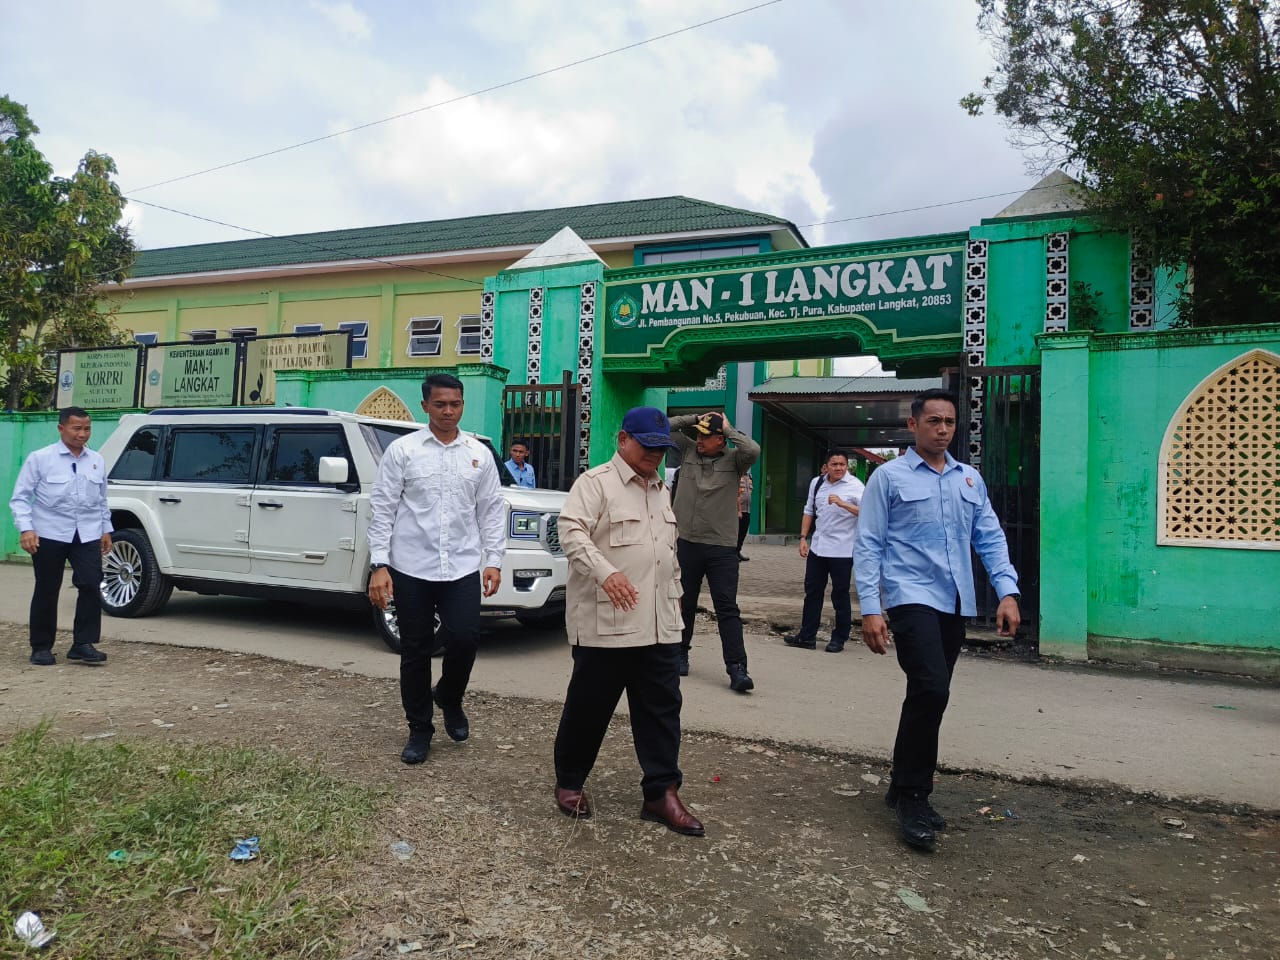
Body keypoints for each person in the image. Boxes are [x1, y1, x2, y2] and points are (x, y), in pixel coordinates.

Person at [854, 389, 1020, 852]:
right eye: (933, 421)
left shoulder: (969, 479)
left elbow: (989, 537)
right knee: (931, 688)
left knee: (927, 694)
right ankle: (914, 797)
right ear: (913, 425)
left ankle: (900, 780)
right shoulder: (888, 477)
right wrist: (871, 607)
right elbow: (869, 543)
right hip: (909, 597)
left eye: (949, 422)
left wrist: (1007, 592)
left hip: (955, 600)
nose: (943, 429)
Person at [552, 406, 704, 836]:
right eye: (646, 446)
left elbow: (667, 550)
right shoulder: (595, 483)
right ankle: (570, 781)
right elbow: (571, 533)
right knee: (589, 708)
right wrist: (607, 572)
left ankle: (661, 793)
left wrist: (677, 597)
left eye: (661, 448)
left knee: (662, 711)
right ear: (623, 440)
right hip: (607, 622)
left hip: (659, 622)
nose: (654, 455)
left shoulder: (661, 489)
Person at [368, 373, 506, 765]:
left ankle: (448, 695)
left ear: (462, 405)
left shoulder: (478, 454)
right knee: (415, 650)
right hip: (411, 565)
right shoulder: (403, 451)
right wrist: (379, 565)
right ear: (425, 405)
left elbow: (491, 510)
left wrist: (494, 561)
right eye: (441, 404)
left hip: (461, 565)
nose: (448, 411)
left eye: (455, 404)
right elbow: (383, 507)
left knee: (464, 638)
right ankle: (419, 729)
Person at [10, 406, 113, 667]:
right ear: (61, 428)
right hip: (49, 532)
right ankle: (41, 647)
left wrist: (106, 529)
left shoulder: (96, 459)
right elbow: (21, 498)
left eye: (87, 429)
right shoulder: (41, 458)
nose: (82, 434)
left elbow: (101, 499)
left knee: (91, 583)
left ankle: (83, 644)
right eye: (76, 428)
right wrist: (26, 529)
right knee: (47, 587)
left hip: (87, 533)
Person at [669, 411, 761, 692]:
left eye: (706, 436)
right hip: (686, 542)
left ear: (720, 440)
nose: (699, 439)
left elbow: (753, 449)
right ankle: (680, 655)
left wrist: (730, 429)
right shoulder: (688, 450)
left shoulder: (735, 460)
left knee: (727, 607)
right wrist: (695, 418)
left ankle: (737, 668)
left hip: (721, 546)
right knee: (683, 602)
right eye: (698, 434)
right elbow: (662, 425)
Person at [784, 450, 864, 653]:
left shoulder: (855, 485)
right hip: (818, 547)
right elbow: (809, 510)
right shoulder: (817, 482)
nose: (838, 468)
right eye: (834, 464)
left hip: (843, 550)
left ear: (847, 466)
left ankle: (839, 638)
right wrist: (803, 538)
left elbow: (868, 512)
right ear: (826, 466)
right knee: (812, 592)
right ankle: (807, 636)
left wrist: (844, 504)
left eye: (842, 464)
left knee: (840, 594)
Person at [735, 472, 753, 561]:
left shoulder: (749, 476)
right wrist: (738, 510)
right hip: (738, 511)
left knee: (743, 533)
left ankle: (737, 551)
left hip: (747, 510)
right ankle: (732, 554)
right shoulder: (737, 474)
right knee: (736, 533)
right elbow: (736, 494)